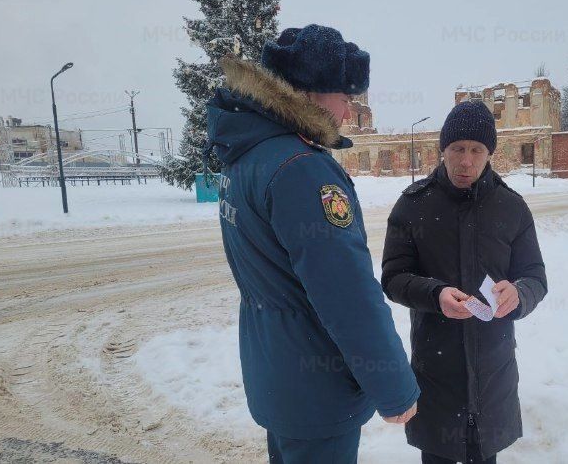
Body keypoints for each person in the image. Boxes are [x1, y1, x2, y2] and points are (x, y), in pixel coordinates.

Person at [205, 24, 419, 464]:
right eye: (346, 97)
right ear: (314, 93)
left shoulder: (249, 153)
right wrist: (395, 388)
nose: (347, 111)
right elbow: (347, 296)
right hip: (316, 385)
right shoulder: (302, 168)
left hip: (277, 373)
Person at [381, 101, 548, 463]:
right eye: (458, 149)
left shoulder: (511, 207)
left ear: (490, 153)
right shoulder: (413, 205)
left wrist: (519, 293)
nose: (466, 161)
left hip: (494, 371)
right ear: (443, 149)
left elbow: (536, 277)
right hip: (437, 369)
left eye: (477, 150)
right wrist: (435, 293)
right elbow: (393, 278)